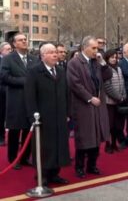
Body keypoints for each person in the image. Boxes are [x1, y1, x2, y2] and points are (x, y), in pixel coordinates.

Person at [25, 43, 70, 186]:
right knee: (44, 147)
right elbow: (29, 97)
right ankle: (42, 175)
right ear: (43, 55)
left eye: (55, 52)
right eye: (51, 52)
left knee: (59, 145)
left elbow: (66, 93)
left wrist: (68, 112)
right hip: (43, 118)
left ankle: (55, 173)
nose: (55, 55)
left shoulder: (61, 70)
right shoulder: (34, 71)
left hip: (60, 116)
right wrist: (34, 117)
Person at [67, 36, 111, 178]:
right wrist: (89, 98)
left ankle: (92, 165)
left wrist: (103, 62)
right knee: (84, 138)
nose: (96, 51)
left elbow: (107, 75)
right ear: (84, 47)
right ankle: (79, 167)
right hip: (83, 106)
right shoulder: (74, 63)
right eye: (93, 48)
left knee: (96, 136)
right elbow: (75, 84)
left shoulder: (96, 62)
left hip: (98, 105)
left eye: (97, 48)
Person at [0, 33, 39, 170]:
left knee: (29, 130)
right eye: (21, 40)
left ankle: (24, 158)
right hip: (16, 100)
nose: (24, 41)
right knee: (15, 132)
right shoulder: (8, 59)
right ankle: (13, 159)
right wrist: (24, 82)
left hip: (31, 101)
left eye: (25, 39)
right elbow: (4, 77)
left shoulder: (34, 59)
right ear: (14, 44)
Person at [103, 49, 127, 154]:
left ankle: (114, 143)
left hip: (119, 101)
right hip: (109, 102)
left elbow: (122, 83)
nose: (114, 59)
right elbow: (107, 87)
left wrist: (123, 96)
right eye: (111, 57)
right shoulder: (105, 69)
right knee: (110, 125)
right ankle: (108, 144)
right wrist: (118, 97)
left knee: (118, 125)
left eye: (115, 57)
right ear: (107, 58)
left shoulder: (119, 68)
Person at [0, 42, 12, 146]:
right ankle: (1, 137)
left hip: (11, 92)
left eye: (10, 49)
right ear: (1, 51)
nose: (10, 51)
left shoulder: (12, 61)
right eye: (7, 49)